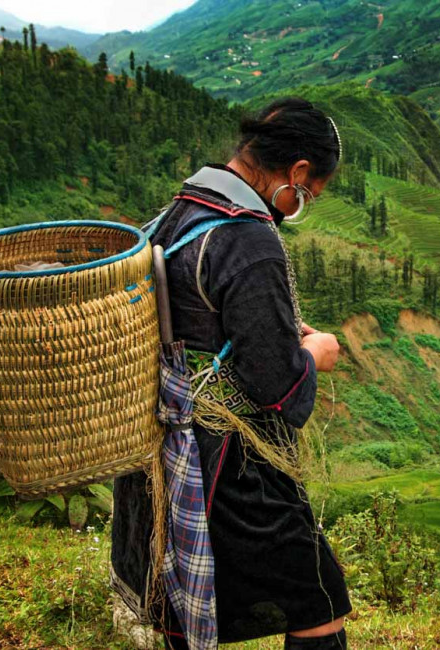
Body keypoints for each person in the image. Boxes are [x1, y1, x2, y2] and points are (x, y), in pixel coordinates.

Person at [111, 98, 350, 650]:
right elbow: (273, 385)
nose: (302, 203)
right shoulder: (250, 239)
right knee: (318, 596)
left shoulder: (185, 208)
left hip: (165, 450)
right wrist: (315, 352)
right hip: (229, 465)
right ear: (296, 173)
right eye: (309, 193)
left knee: (187, 596)